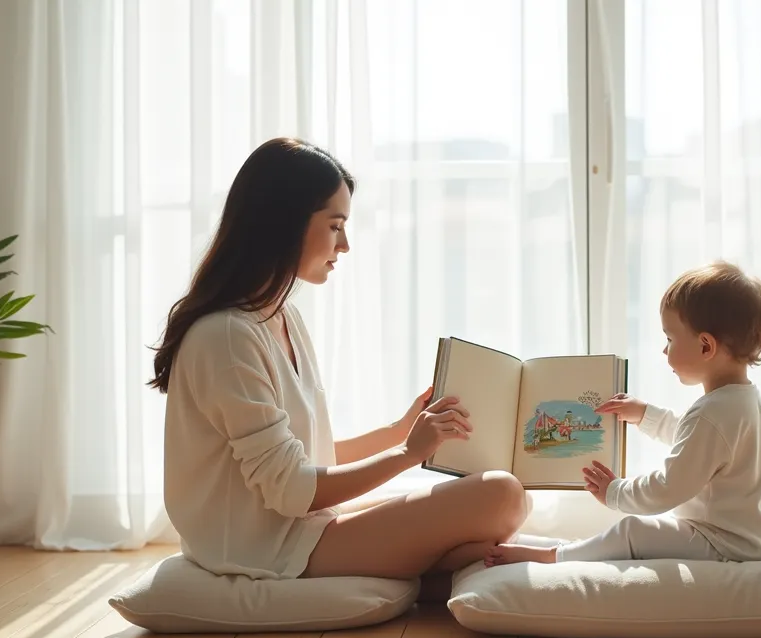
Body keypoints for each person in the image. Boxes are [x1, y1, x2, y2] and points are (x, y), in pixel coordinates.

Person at [148, 137, 528, 590]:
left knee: (502, 497)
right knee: (499, 494)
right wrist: (409, 454)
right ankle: (437, 566)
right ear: (284, 223)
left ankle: (440, 566)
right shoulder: (226, 336)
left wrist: (399, 432)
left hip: (301, 528)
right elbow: (291, 491)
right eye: (335, 225)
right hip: (261, 549)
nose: (344, 244)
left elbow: (307, 459)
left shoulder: (281, 316)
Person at [486, 261, 761, 565]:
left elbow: (668, 488)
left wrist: (615, 492)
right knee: (637, 532)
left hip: (730, 544)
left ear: (705, 347)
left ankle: (553, 556)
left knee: (632, 532)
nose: (664, 350)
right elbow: (695, 439)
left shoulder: (714, 412)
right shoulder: (742, 400)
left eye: (670, 338)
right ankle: (568, 549)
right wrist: (645, 414)